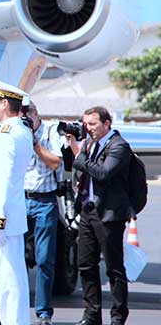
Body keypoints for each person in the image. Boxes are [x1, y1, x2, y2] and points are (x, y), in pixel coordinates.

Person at [70, 106, 131, 325]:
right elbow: (78, 167)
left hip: (109, 215)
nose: (89, 128)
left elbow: (103, 173)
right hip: (88, 210)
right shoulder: (90, 143)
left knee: (114, 268)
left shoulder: (119, 146)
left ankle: (117, 318)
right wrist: (73, 148)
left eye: (93, 124)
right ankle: (91, 315)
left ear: (107, 124)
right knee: (85, 264)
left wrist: (80, 156)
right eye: (86, 124)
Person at [0, 79, 33, 325]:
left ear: (4, 103)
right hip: (8, 216)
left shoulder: (8, 134)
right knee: (12, 278)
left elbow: (3, 179)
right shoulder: (18, 131)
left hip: (2, 217)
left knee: (8, 280)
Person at [23, 102, 64, 325]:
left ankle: (43, 312)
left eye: (28, 115)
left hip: (44, 201)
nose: (26, 120)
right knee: (13, 257)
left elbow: (56, 162)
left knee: (45, 258)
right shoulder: (16, 132)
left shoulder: (50, 132)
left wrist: (35, 144)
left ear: (36, 114)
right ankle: (11, 309)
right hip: (21, 199)